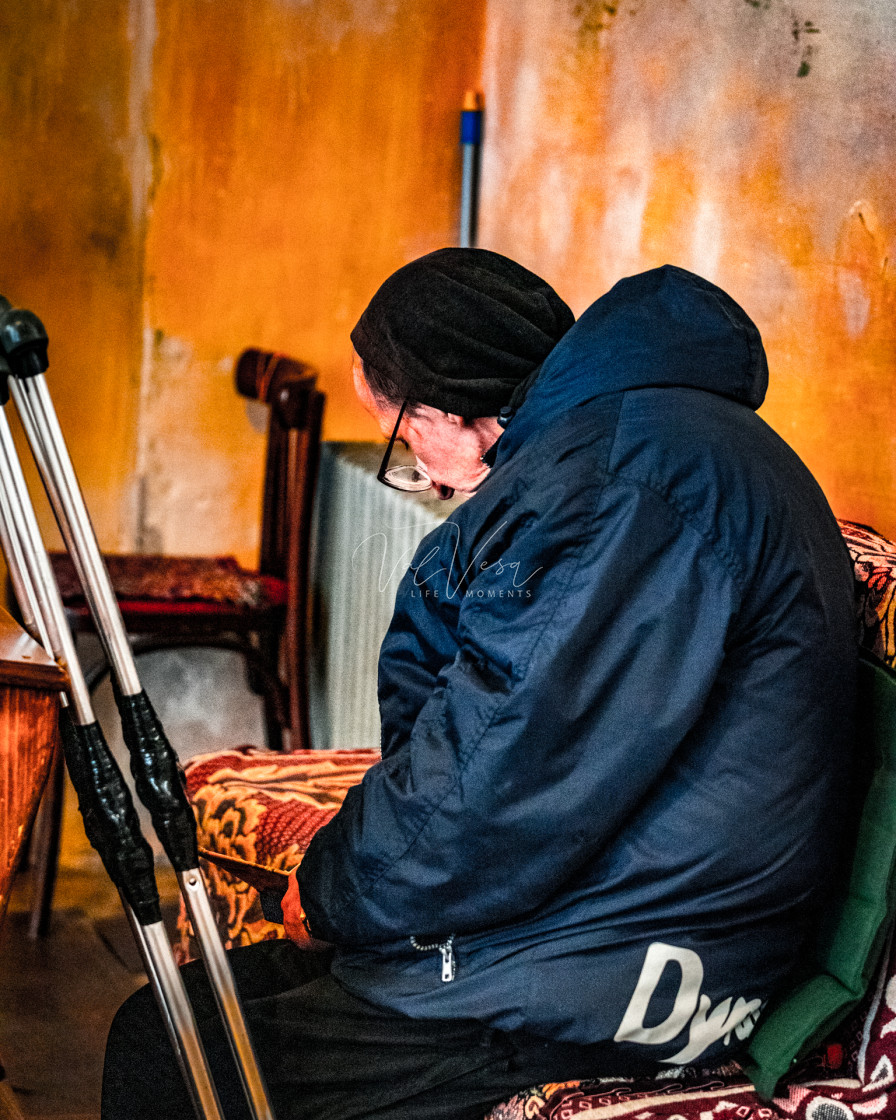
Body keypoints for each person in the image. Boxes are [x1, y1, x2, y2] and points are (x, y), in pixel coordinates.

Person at [103, 250, 856, 1120]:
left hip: (637, 961)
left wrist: (339, 886)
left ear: (458, 411)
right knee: (169, 1020)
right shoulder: (632, 447)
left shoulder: (620, 486)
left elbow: (498, 772)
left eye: (402, 431)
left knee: (173, 1063)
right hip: (603, 917)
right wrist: (357, 888)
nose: (415, 461)